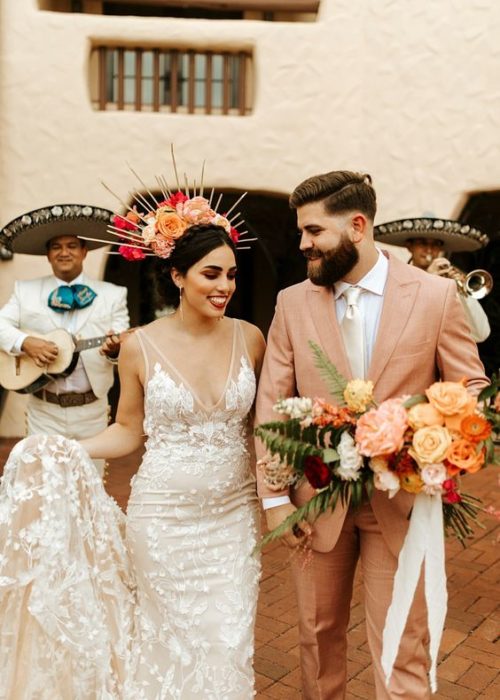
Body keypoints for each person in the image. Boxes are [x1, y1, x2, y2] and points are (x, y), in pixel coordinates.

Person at [0, 205, 265, 697]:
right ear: (177, 276)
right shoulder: (139, 346)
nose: (224, 285)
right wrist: (67, 448)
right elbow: (128, 430)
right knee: (166, 640)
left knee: (225, 639)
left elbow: (262, 426)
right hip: (163, 521)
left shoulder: (250, 338)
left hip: (233, 519)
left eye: (231, 274)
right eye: (211, 273)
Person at [255, 171, 489, 699]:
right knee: (317, 638)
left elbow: (469, 387)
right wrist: (274, 496)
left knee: (402, 642)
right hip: (313, 500)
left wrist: (424, 441)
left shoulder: (434, 296)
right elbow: (272, 402)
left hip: (403, 500)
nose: (302, 244)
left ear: (357, 226)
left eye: (313, 231)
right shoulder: (292, 303)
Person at [0, 204, 130, 475]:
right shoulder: (25, 291)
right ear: (48, 255)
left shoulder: (113, 294)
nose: (64, 252)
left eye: (72, 245)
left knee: (88, 485)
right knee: (44, 485)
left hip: (92, 411)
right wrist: (25, 343)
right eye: (56, 246)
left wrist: (114, 349)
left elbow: (121, 345)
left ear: (84, 251)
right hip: (43, 410)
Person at [373, 217, 491, 343]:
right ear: (409, 246)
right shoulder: (394, 278)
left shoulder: (449, 282)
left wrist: (463, 292)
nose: (429, 249)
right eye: (422, 243)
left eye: (436, 244)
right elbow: (394, 327)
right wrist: (427, 281)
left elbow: (481, 333)